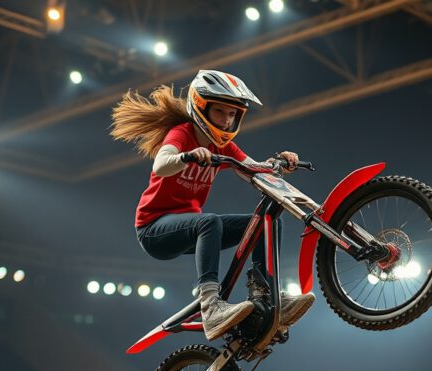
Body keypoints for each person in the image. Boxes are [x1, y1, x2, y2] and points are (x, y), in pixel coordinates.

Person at [112, 70, 315, 340]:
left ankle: (265, 292)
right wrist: (187, 156)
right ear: (200, 107)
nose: (227, 120)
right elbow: (161, 165)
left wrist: (280, 163)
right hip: (154, 230)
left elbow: (254, 170)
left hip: (191, 229)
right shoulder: (182, 134)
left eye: (233, 115)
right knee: (210, 221)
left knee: (266, 221)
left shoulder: (225, 147)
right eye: (221, 112)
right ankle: (210, 306)